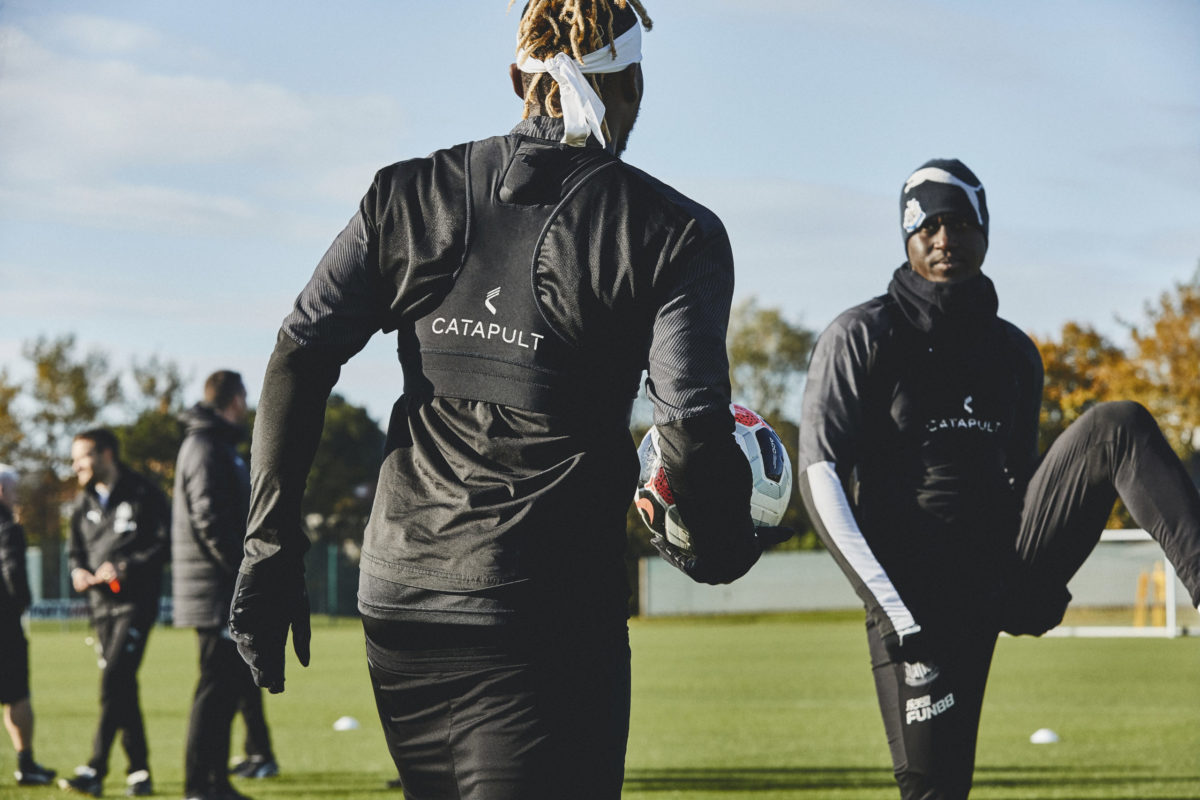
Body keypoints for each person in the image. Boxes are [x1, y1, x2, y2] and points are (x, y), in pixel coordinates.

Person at [227, 2, 784, 798]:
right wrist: (722, 538)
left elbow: (298, 352)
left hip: (400, 602)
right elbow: (690, 422)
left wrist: (268, 549)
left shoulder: (408, 193)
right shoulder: (673, 231)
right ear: (631, 84)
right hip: (539, 614)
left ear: (518, 76)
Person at [797, 157, 1200, 800]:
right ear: (906, 237)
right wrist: (894, 610)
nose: (942, 238)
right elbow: (819, 477)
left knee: (1119, 423)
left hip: (997, 568)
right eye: (925, 225)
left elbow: (1023, 480)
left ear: (984, 231)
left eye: (957, 222)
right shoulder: (861, 335)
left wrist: (1040, 582)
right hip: (916, 600)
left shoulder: (1014, 352)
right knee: (936, 790)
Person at [173, 371, 276, 800]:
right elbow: (209, 520)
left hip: (217, 590)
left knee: (225, 689)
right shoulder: (205, 447)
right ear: (234, 399)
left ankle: (215, 781)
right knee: (214, 690)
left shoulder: (214, 445)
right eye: (244, 398)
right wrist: (242, 574)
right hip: (216, 593)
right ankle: (201, 785)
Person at [61, 429, 170, 798]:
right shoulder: (82, 502)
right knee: (122, 684)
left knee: (114, 680)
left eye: (82, 457)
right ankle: (139, 771)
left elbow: (165, 544)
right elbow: (74, 551)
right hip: (100, 609)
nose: (76, 465)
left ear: (106, 454)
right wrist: (78, 571)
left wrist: (125, 566)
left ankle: (95, 767)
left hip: (135, 605)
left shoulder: (145, 493)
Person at [0, 464, 56, 787]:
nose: (18, 497)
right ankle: (26, 764)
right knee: (17, 696)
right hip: (5, 628)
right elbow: (14, 575)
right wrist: (22, 603)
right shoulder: (8, 528)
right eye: (15, 490)